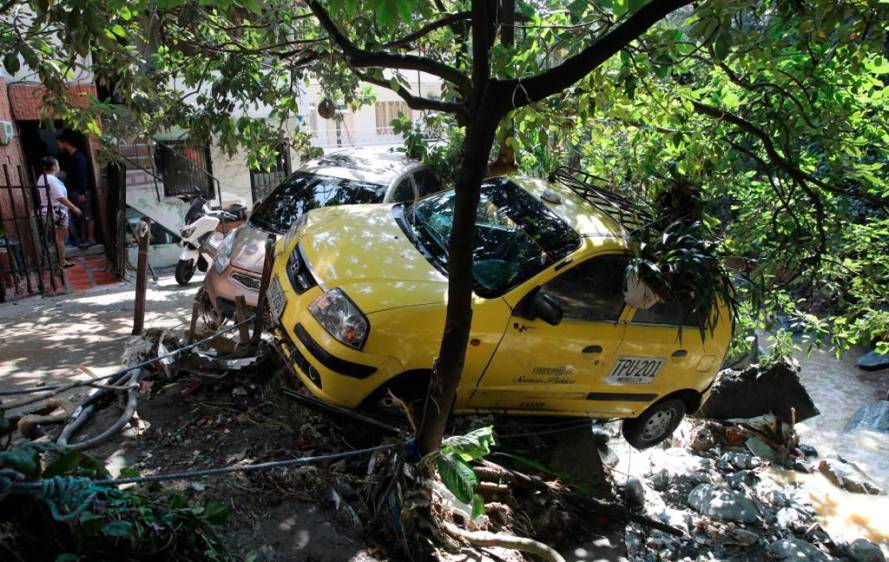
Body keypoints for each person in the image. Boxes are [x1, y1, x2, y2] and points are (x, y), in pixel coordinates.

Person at [37, 156, 82, 268]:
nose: (58, 167)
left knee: (60, 236)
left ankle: (61, 259)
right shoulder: (52, 179)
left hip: (48, 209)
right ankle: (62, 261)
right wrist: (74, 208)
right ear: (54, 167)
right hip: (56, 210)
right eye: (57, 165)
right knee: (61, 237)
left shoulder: (42, 177)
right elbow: (60, 197)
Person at [56, 133, 94, 248]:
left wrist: (82, 192)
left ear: (65, 143)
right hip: (76, 191)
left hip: (81, 191)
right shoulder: (72, 157)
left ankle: (91, 238)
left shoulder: (78, 157)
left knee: (87, 215)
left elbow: (82, 176)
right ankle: (84, 237)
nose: (58, 146)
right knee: (81, 216)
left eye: (59, 144)